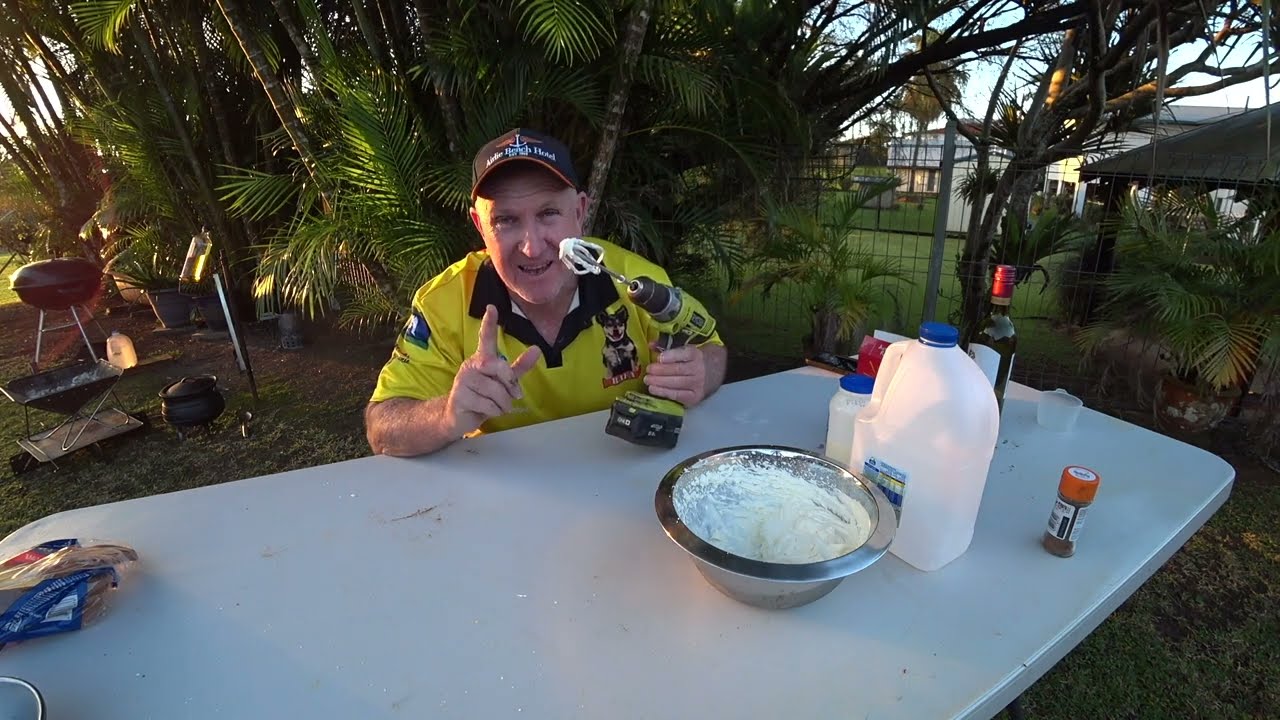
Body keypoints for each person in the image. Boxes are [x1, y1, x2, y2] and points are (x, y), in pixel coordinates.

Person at [365, 128, 728, 457]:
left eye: (548, 213)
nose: (533, 248)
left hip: (629, 475)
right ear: (479, 226)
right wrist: (446, 416)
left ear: (580, 212)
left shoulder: (637, 279)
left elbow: (710, 348)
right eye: (505, 220)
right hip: (508, 494)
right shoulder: (443, 302)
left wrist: (700, 373)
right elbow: (382, 425)